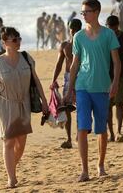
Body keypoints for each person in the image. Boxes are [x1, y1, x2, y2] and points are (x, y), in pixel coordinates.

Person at [0, 27, 48, 188]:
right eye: (14, 40)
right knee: (8, 142)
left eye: (19, 38)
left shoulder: (26, 58)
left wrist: (45, 101)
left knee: (21, 144)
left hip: (24, 104)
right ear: (4, 42)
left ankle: (11, 167)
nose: (18, 42)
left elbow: (36, 80)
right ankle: (11, 178)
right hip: (5, 105)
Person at [65, 0, 121, 182]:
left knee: (101, 129)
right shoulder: (79, 36)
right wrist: (70, 88)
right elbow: (74, 65)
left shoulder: (108, 35)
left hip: (102, 87)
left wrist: (115, 83)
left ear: (96, 12)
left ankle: (101, 165)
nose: (83, 15)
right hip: (82, 87)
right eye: (82, 12)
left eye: (86, 12)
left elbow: (117, 62)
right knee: (82, 127)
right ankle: (84, 170)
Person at [51, 19, 82, 149]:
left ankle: (79, 135)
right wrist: (54, 80)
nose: (73, 31)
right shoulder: (65, 45)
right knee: (67, 108)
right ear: (69, 29)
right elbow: (59, 64)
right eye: (72, 29)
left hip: (82, 77)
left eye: (76, 28)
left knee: (81, 107)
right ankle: (69, 138)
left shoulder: (84, 44)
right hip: (68, 77)